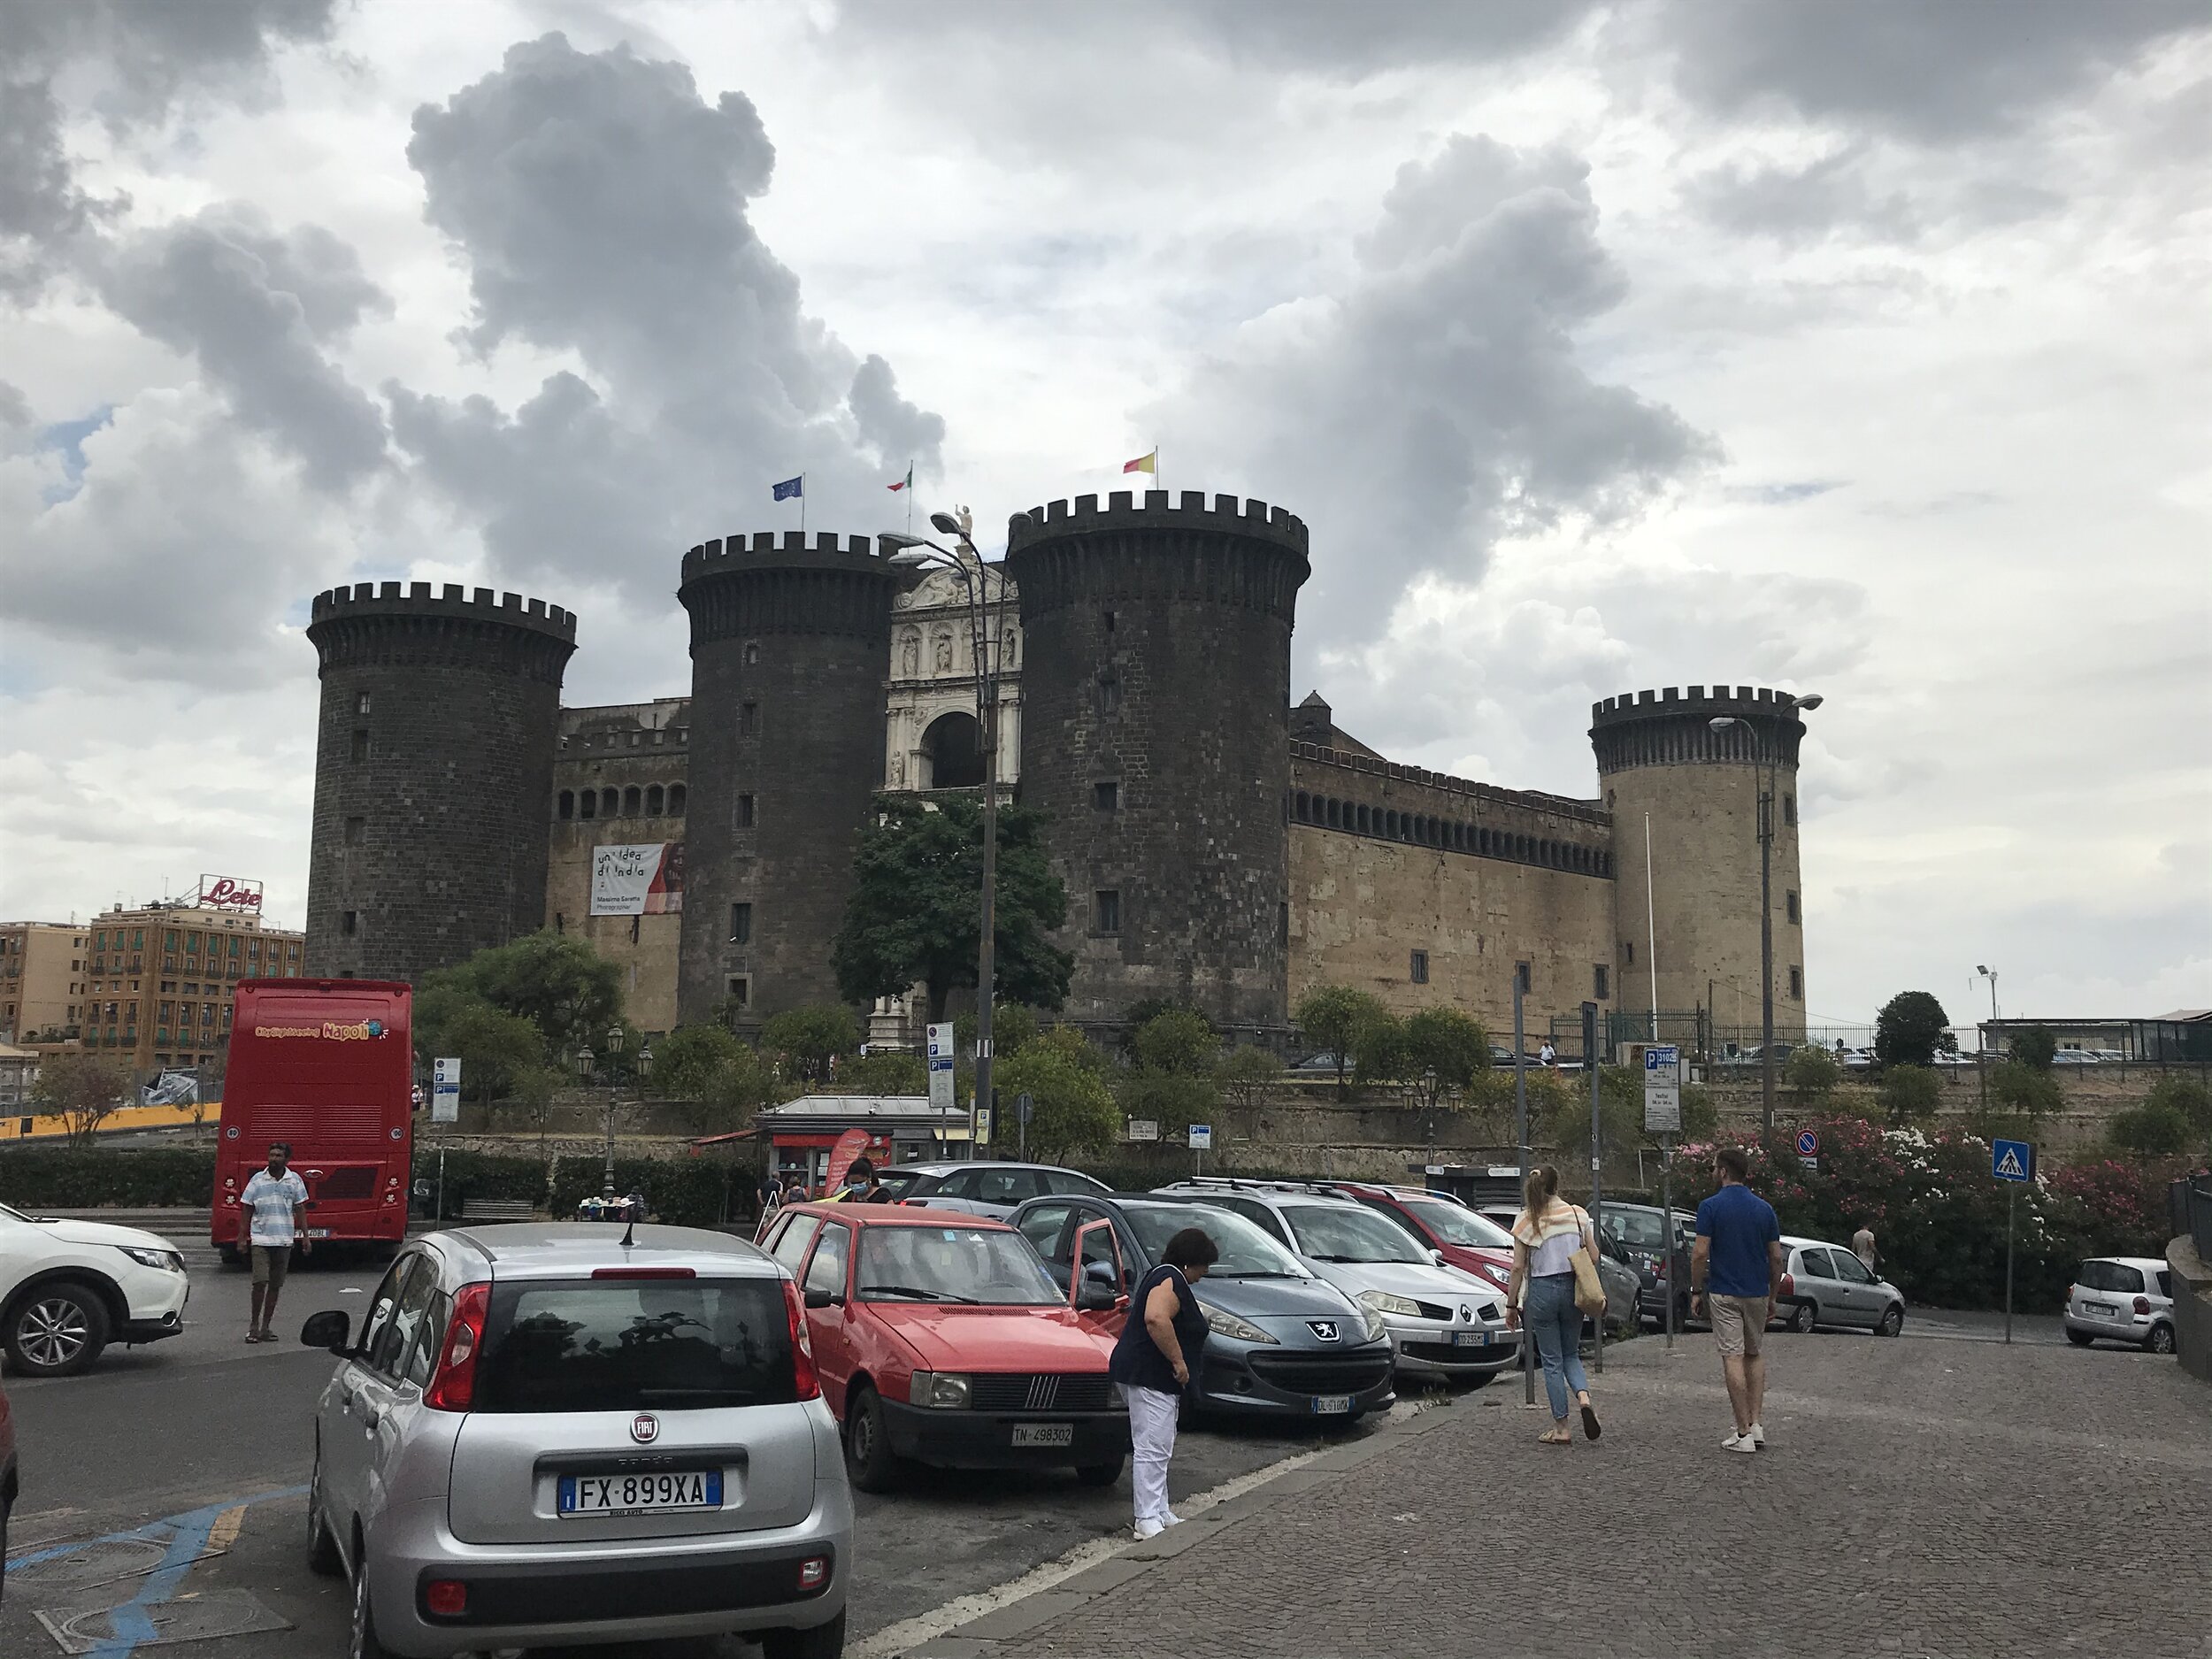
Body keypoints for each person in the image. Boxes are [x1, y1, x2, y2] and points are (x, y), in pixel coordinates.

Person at [1108, 1225, 1217, 1540]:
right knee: (1152, 1445)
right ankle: (1146, 1518)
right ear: (1190, 1262)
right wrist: (1178, 1361)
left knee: (1162, 1443)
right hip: (1149, 1375)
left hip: (1150, 1376)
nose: (1204, 1273)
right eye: (1203, 1266)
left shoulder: (1166, 1276)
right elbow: (1156, 1318)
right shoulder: (1169, 1281)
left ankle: (1159, 1508)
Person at [1692, 1146, 1785, 1453]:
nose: (1712, 1172)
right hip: (1757, 1291)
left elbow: (1700, 1253)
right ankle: (1757, 1425)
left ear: (1724, 1172)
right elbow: (1776, 1257)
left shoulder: (1710, 1207)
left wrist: (1695, 1290)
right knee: (1754, 1354)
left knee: (1732, 1356)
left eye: (1713, 1167)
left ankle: (1742, 1430)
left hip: (1724, 1291)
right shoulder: (1765, 1209)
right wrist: (1772, 1295)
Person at [1505, 1164, 1602, 1446]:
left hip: (1542, 1291)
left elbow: (1517, 1268)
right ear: (1558, 1186)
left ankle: (1562, 1428)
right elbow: (1593, 1256)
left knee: (1551, 1361)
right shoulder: (1576, 1214)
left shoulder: (1526, 1219)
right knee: (1571, 1354)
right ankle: (1584, 1398)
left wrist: (1511, 1307)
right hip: (1573, 1289)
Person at [240, 1141, 310, 1343]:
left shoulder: (294, 1180)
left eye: (279, 1155)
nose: (274, 1159)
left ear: (287, 1159)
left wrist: (305, 1237)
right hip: (261, 1239)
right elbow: (247, 1209)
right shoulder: (257, 1180)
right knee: (260, 1282)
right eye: (272, 1155)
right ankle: (253, 1326)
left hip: (284, 1240)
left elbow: (300, 1209)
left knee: (275, 1285)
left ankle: (266, 1327)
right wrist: (242, 1237)